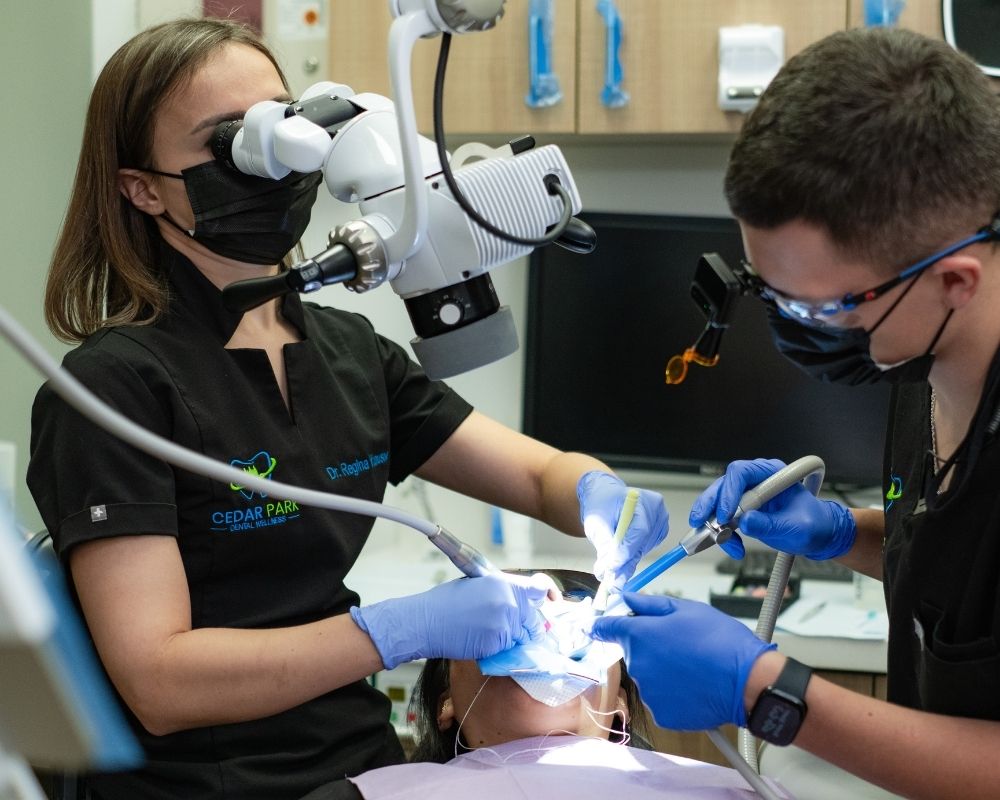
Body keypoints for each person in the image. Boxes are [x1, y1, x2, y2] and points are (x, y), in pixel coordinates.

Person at [25, 18, 668, 800]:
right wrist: (399, 629)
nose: (271, 164)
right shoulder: (112, 391)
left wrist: (603, 500)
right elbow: (160, 684)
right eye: (228, 142)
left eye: (278, 124)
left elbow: (537, 478)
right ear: (143, 188)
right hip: (212, 782)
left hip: (362, 764)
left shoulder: (349, 353)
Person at [592, 25, 1000, 800]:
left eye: (819, 308)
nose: (790, 330)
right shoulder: (922, 355)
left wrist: (765, 693)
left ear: (954, 281)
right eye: (767, 291)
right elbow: (962, 575)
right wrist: (841, 533)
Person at [300, 570, 787, 800]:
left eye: (576, 621)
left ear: (619, 704)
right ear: (446, 702)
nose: (548, 627)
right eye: (509, 627)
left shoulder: (737, 793)